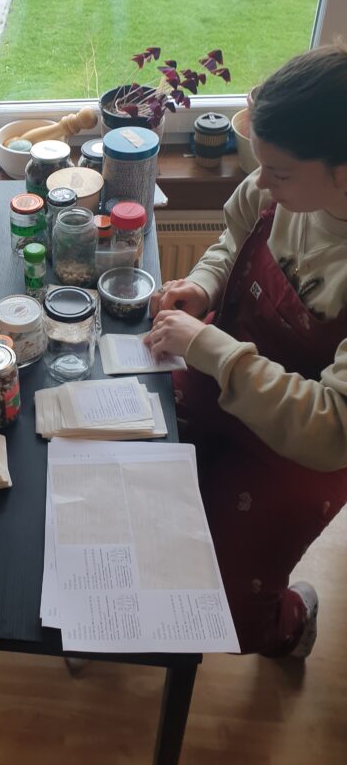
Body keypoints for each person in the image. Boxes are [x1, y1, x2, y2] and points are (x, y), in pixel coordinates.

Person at [145, 43, 347, 659]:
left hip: (297, 449)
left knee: (226, 608)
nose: (264, 184)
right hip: (219, 385)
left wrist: (208, 347)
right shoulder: (276, 193)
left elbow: (332, 427)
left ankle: (287, 621)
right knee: (142, 486)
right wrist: (201, 286)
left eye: (280, 172)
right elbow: (233, 238)